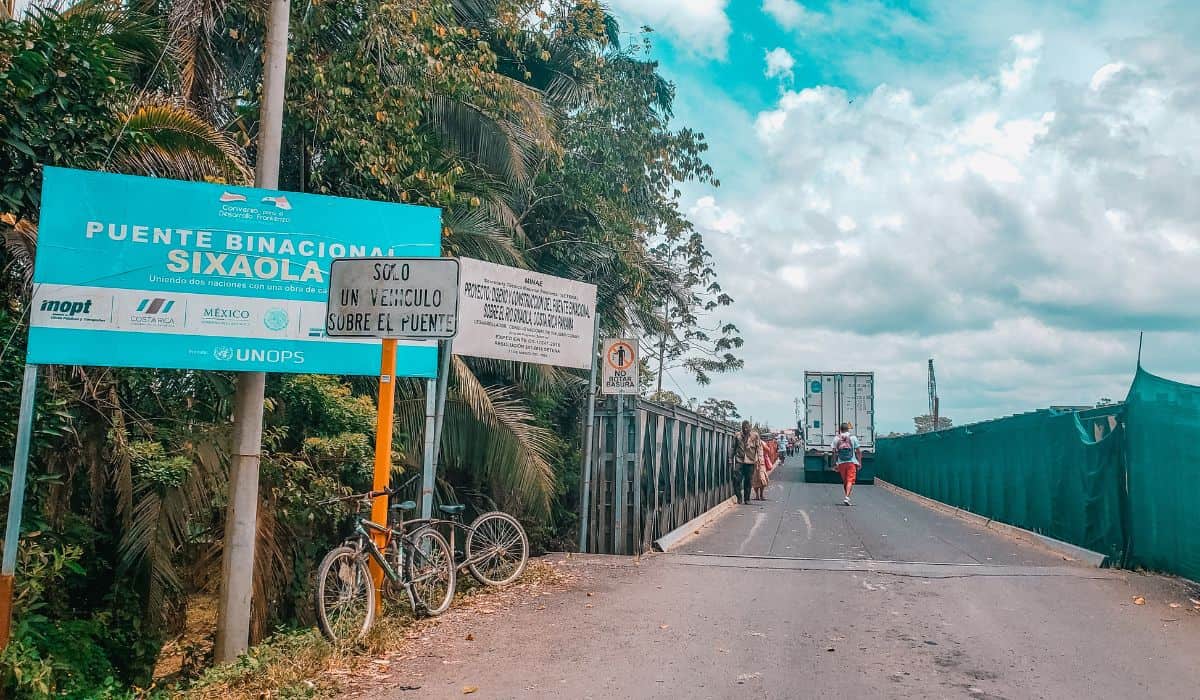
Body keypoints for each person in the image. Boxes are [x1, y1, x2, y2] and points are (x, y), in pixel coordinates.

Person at [731, 421, 762, 505]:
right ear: (742, 428)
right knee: (736, 479)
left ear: (749, 428)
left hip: (750, 461)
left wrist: (759, 459)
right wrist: (730, 458)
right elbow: (733, 448)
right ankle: (739, 497)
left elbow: (759, 448)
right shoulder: (737, 436)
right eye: (744, 428)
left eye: (747, 428)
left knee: (748, 481)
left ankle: (747, 499)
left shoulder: (755, 436)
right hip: (740, 460)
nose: (745, 429)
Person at [833, 422, 862, 506]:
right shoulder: (853, 438)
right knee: (850, 480)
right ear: (848, 429)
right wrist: (859, 462)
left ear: (840, 429)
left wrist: (835, 464)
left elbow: (834, 452)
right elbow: (858, 451)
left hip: (841, 463)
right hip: (851, 462)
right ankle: (847, 497)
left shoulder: (836, 438)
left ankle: (847, 497)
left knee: (845, 481)